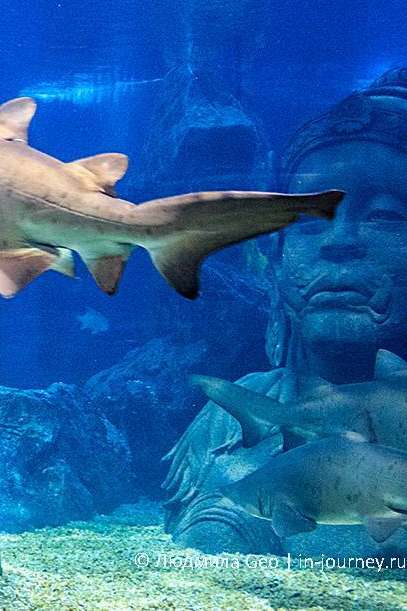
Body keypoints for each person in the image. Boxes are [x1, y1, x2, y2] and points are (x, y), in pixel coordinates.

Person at [162, 68, 407, 555]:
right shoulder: (224, 423)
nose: (340, 243)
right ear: (273, 260)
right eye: (310, 222)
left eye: (384, 216)